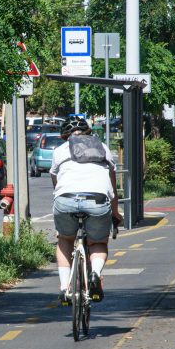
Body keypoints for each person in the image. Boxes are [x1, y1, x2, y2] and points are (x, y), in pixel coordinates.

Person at [50, 117, 123, 305]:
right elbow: (112, 190)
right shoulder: (103, 148)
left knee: (64, 239)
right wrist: (115, 213)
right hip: (97, 200)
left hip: (65, 200)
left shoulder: (59, 151)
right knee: (98, 242)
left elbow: (56, 184)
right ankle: (95, 275)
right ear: (89, 133)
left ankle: (65, 287)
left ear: (64, 136)